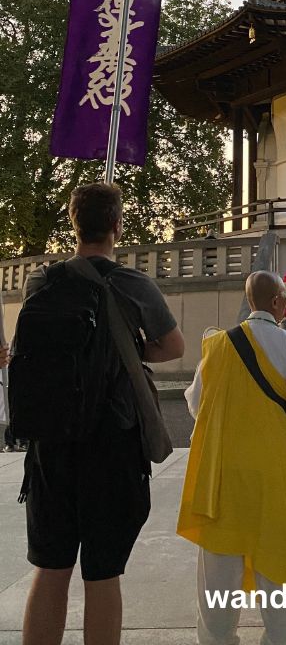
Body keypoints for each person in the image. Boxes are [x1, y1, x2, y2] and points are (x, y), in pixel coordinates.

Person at [20, 182, 184, 645]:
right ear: (117, 225)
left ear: (75, 223)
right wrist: (127, 348)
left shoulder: (42, 282)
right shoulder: (134, 284)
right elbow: (173, 346)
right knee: (102, 573)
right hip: (112, 439)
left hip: (51, 439)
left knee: (50, 568)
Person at [178, 270, 286, 645]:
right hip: (274, 471)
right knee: (279, 565)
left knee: (219, 569)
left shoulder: (216, 347)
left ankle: (216, 639)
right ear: (279, 303)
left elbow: (196, 403)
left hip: (223, 472)